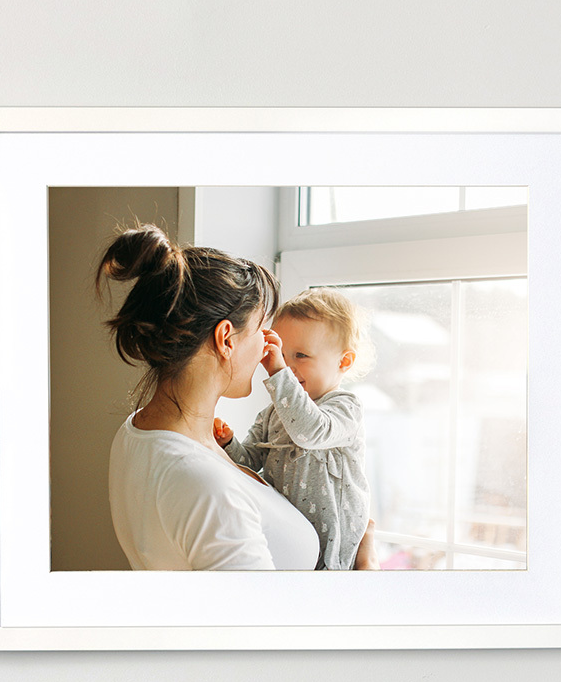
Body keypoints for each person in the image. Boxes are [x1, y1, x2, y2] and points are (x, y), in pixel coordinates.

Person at [97, 223, 377, 570]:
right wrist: (367, 576)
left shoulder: (134, 433)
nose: (268, 347)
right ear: (226, 339)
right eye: (263, 331)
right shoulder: (204, 485)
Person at [214, 288, 372, 570]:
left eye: (301, 355)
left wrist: (278, 373)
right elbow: (249, 462)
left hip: (332, 549)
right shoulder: (275, 412)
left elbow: (310, 431)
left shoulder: (345, 407)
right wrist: (228, 443)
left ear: (343, 362)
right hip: (289, 541)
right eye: (281, 354)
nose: (287, 366)